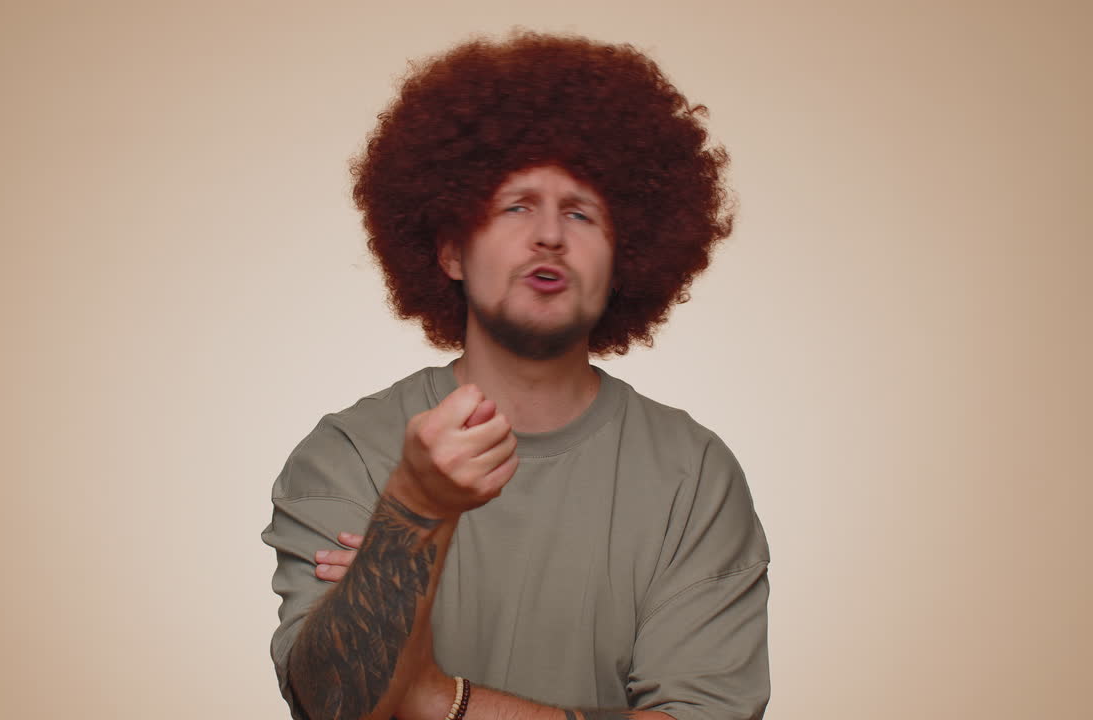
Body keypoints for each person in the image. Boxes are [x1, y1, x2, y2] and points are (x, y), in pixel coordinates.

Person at [261, 30, 771, 720]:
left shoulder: (693, 477)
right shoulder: (351, 454)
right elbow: (336, 708)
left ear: (625, 260)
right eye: (516, 206)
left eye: (582, 212)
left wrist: (436, 697)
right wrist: (414, 506)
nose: (550, 236)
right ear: (449, 252)